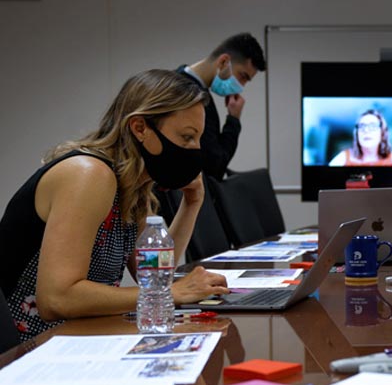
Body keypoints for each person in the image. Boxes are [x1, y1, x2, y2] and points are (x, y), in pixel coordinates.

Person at [0, 69, 230, 341]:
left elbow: (155, 273)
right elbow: (56, 299)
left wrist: (192, 203)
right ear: (140, 128)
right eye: (187, 137)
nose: (194, 150)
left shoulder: (133, 184)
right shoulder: (89, 175)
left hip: (78, 335)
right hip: (26, 350)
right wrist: (172, 293)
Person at [178, 33, 267, 180]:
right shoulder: (192, 99)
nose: (241, 86)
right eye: (243, 76)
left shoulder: (181, 84)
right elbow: (215, 166)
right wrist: (234, 120)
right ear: (224, 61)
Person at [328, 109, 392, 166]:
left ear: (382, 133)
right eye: (362, 126)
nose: (366, 130)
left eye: (373, 126)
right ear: (357, 134)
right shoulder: (343, 157)